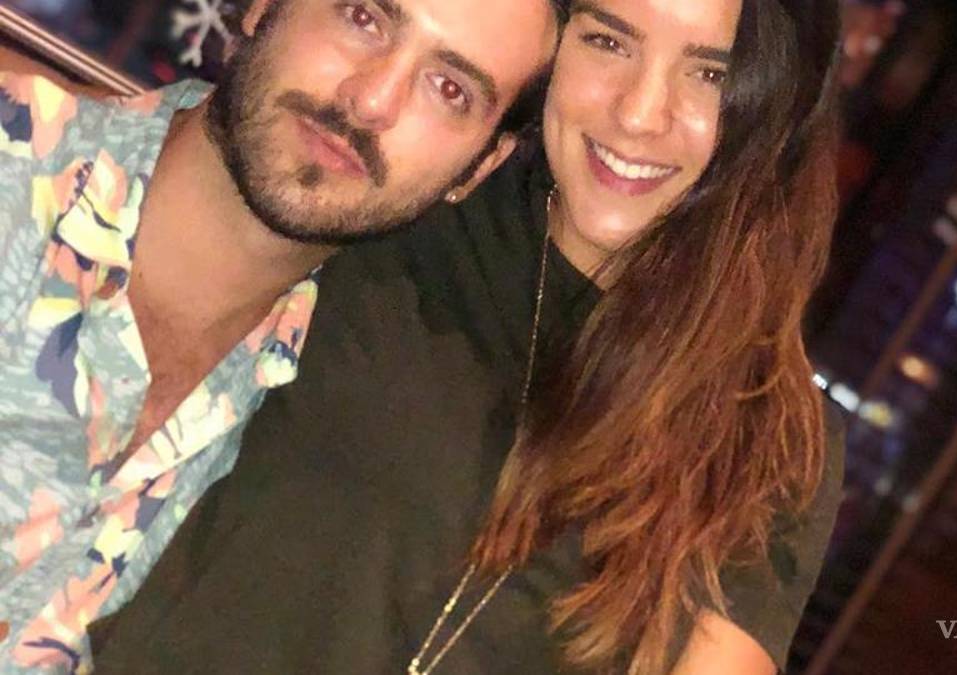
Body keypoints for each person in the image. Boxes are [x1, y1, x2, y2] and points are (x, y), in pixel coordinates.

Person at [88, 0, 844, 673]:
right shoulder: (403, 198)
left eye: (709, 75)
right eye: (609, 42)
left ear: (777, 109)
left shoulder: (763, 431)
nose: (640, 113)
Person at [0, 0, 560, 669]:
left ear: (479, 168)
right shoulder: (16, 165)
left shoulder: (315, 429)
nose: (372, 100)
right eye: (364, 18)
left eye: (449, 89)